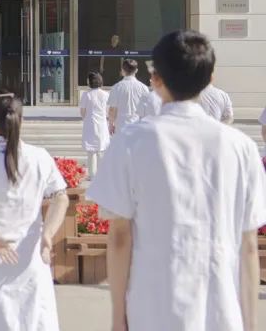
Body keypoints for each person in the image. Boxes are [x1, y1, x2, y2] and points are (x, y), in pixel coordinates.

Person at [89, 30, 266, 331]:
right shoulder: (241, 147)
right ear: (210, 78)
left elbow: (119, 236)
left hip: (153, 308)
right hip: (220, 310)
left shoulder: (131, 141)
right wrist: (250, 324)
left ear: (156, 79)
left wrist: (118, 315)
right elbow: (248, 245)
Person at [0, 92, 69, 331]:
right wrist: (48, 233)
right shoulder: (40, 157)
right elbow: (61, 197)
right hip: (31, 253)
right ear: (21, 120)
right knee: (32, 317)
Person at [78, 71, 109, 179]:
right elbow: (108, 110)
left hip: (90, 123)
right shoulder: (105, 94)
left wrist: (85, 118)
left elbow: (82, 111)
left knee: (91, 152)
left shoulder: (86, 94)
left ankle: (92, 175)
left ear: (90, 81)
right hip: (102, 124)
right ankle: (102, 174)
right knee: (101, 149)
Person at [107, 59, 149, 134]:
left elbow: (112, 109)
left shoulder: (116, 87)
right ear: (136, 70)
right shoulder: (144, 88)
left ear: (122, 70)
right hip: (138, 126)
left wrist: (111, 125)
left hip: (121, 126)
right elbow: (146, 110)